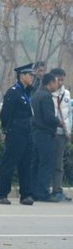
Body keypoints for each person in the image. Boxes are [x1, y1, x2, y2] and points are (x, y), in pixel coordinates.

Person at [0, 64, 36, 205]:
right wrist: (5, 131)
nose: (33, 77)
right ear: (22, 76)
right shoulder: (13, 92)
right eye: (30, 75)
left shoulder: (27, 92)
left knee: (26, 163)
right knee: (9, 163)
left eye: (33, 75)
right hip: (15, 131)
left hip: (27, 131)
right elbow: (5, 115)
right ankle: (1, 194)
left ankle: (26, 195)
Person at [31, 72, 61, 202]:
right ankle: (43, 193)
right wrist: (59, 122)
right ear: (50, 83)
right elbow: (48, 117)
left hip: (36, 133)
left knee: (36, 163)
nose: (57, 84)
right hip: (45, 133)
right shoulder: (46, 97)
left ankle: (34, 191)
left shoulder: (36, 94)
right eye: (56, 82)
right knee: (46, 164)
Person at [50, 68, 72, 202]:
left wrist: (68, 131)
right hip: (52, 132)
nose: (61, 82)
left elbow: (68, 114)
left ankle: (57, 189)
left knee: (59, 164)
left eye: (63, 79)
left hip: (63, 133)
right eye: (59, 79)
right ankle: (49, 189)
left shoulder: (67, 93)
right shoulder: (49, 94)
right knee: (50, 163)